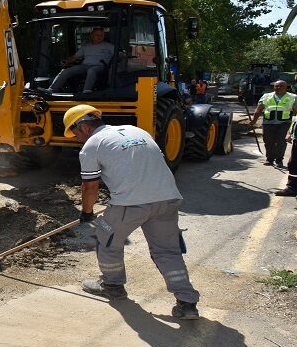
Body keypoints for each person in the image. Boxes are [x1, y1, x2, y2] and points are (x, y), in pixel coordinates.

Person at [64, 104, 201, 319]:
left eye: (73, 132)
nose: (75, 138)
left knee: (106, 237)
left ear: (82, 126)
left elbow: (89, 186)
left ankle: (112, 285)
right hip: (167, 199)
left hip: (130, 204)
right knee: (167, 252)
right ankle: (187, 302)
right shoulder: (136, 131)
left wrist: (87, 212)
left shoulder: (92, 145)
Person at [46, 27, 114, 94]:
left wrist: (120, 57)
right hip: (85, 66)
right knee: (65, 71)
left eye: (101, 35)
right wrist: (67, 61)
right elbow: (75, 57)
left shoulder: (109, 46)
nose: (99, 37)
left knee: (92, 70)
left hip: (100, 66)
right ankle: (51, 90)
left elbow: (119, 55)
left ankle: (86, 91)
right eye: (97, 35)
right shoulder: (86, 46)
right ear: (92, 35)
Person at [249, 80, 297, 167]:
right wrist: (254, 120)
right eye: (277, 86)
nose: (279, 87)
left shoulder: (292, 97)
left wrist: (296, 124)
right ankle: (269, 159)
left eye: (281, 86)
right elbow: (259, 109)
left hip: (284, 123)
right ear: (274, 87)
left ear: (286, 87)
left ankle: (279, 160)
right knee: (268, 141)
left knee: (281, 141)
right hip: (268, 123)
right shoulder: (266, 96)